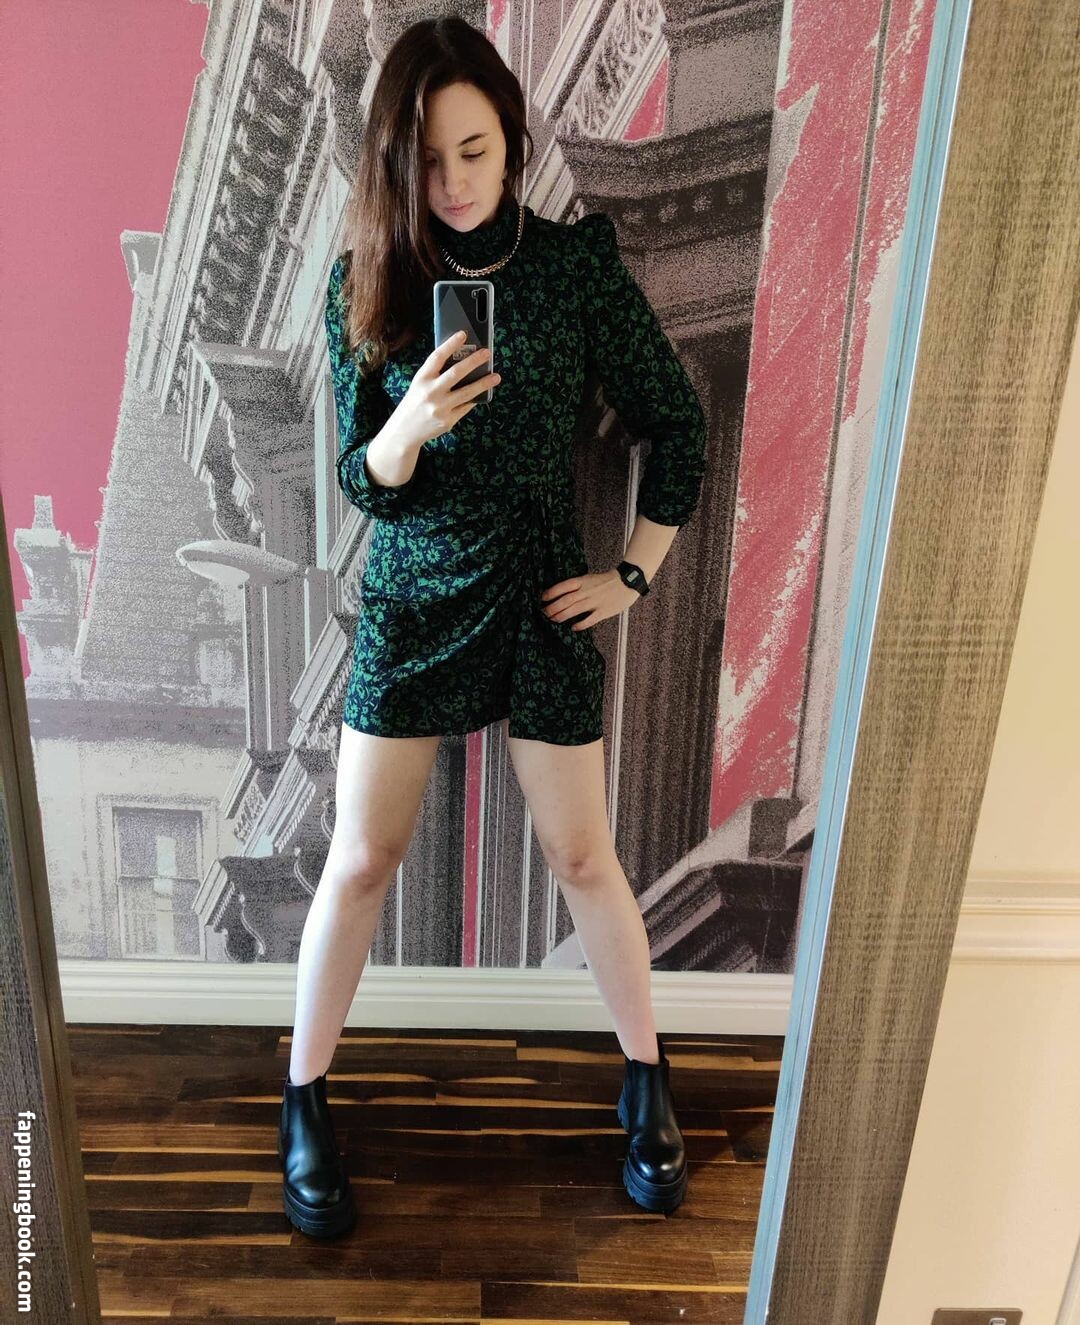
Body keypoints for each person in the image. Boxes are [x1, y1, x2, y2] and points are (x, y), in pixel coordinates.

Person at [278, 15, 708, 1239]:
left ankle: (647, 1078)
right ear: (394, 164)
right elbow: (359, 486)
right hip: (412, 601)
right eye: (427, 161)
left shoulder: (573, 270)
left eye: (475, 150)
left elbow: (676, 422)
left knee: (583, 856)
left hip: (539, 596)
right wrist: (404, 426)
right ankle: (302, 1094)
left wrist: (632, 573)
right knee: (362, 860)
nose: (455, 181)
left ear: (512, 139)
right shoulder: (366, 281)